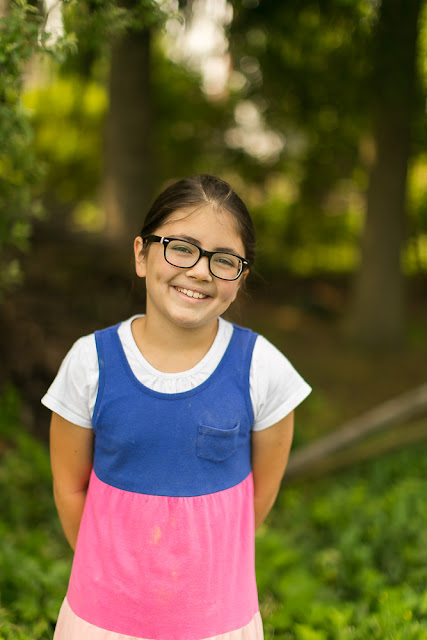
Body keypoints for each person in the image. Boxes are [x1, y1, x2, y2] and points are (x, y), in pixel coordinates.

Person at [43, 174, 311, 640]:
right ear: (141, 255)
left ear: (241, 278)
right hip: (103, 620)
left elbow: (257, 500)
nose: (201, 271)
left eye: (224, 260)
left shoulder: (263, 369)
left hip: (216, 622)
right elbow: (69, 489)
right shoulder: (90, 363)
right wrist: (112, 578)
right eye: (181, 248)